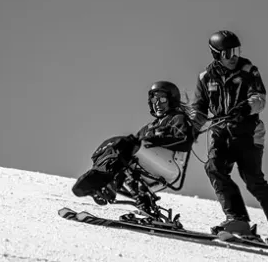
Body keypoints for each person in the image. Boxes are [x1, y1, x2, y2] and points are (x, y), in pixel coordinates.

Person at [190, 30, 268, 249]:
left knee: (253, 179)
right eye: (228, 52)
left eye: (237, 50)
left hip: (248, 132)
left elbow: (259, 99)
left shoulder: (248, 70)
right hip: (220, 132)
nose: (233, 56)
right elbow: (199, 110)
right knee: (214, 168)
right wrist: (191, 127)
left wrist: (245, 108)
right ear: (216, 54)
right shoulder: (206, 77)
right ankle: (238, 221)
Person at [72, 81, 195, 211]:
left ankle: (105, 180)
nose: (158, 103)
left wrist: (154, 139)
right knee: (113, 145)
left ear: (172, 100)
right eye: (154, 99)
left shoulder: (177, 118)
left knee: (124, 144)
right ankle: (102, 181)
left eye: (163, 99)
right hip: (151, 166)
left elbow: (184, 140)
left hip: (169, 166)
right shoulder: (149, 127)